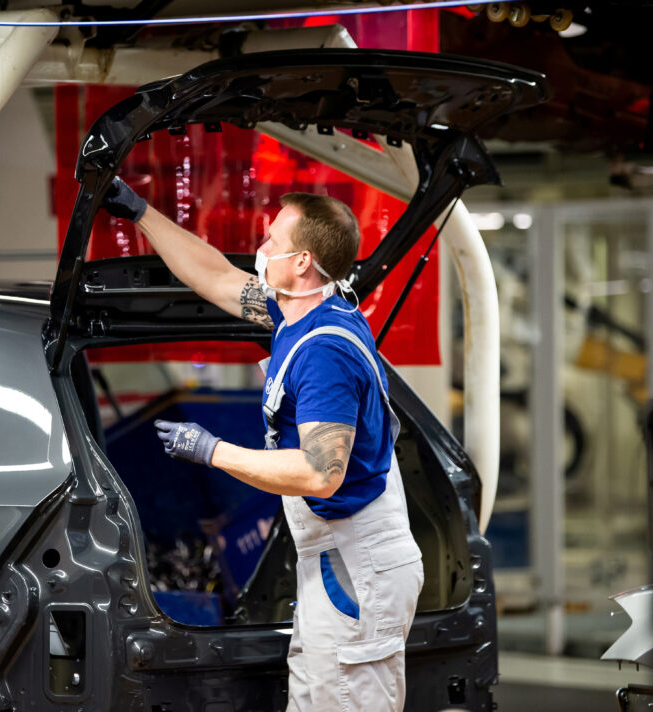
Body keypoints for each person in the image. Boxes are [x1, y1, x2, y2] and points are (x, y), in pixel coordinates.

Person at [101, 177, 423, 712]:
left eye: (273, 239)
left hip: (357, 559)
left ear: (302, 261)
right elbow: (213, 275)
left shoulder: (323, 352)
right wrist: (140, 212)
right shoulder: (298, 310)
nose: (262, 247)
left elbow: (323, 473)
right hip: (339, 552)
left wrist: (211, 451)